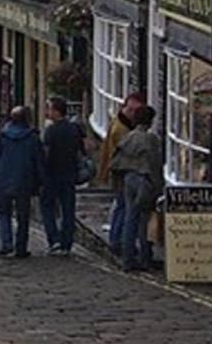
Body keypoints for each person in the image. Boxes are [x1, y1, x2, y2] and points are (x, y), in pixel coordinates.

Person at [111, 106, 162, 272]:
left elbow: (117, 159)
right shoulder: (151, 139)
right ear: (150, 121)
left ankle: (127, 260)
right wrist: (158, 187)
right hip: (144, 180)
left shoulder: (128, 137)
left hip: (128, 179)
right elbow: (155, 166)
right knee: (144, 220)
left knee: (130, 218)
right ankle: (145, 258)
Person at [0, 106, 43, 259]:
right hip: (24, 181)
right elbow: (38, 161)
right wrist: (40, 181)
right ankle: (21, 247)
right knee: (23, 216)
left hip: (4, 180)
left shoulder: (3, 136)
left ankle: (6, 244)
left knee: (4, 214)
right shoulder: (32, 137)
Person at [96, 92, 145, 255]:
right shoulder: (121, 129)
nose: (132, 114)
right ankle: (118, 241)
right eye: (130, 110)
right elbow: (126, 153)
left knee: (121, 206)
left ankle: (116, 240)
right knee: (124, 207)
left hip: (120, 172)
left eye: (135, 111)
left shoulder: (120, 122)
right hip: (123, 173)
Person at [40, 96, 84, 256]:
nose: (47, 112)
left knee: (47, 207)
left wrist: (42, 172)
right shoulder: (74, 129)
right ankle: (67, 243)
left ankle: (54, 240)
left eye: (49, 109)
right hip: (70, 174)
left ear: (56, 112)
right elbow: (82, 150)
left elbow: (47, 155)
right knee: (68, 209)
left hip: (52, 175)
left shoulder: (51, 131)